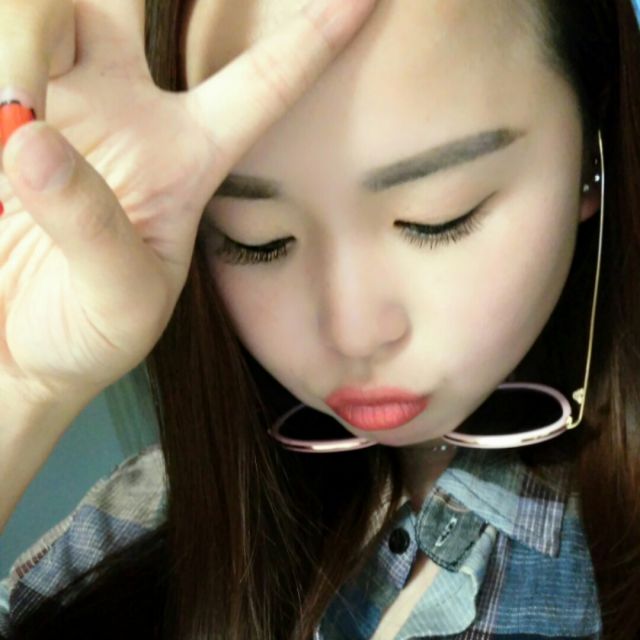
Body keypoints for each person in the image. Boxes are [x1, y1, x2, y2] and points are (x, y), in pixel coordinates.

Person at [0, 0, 638, 638]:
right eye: (258, 239)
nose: (351, 333)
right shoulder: (139, 517)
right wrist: (22, 388)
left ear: (592, 150)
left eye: (438, 217)